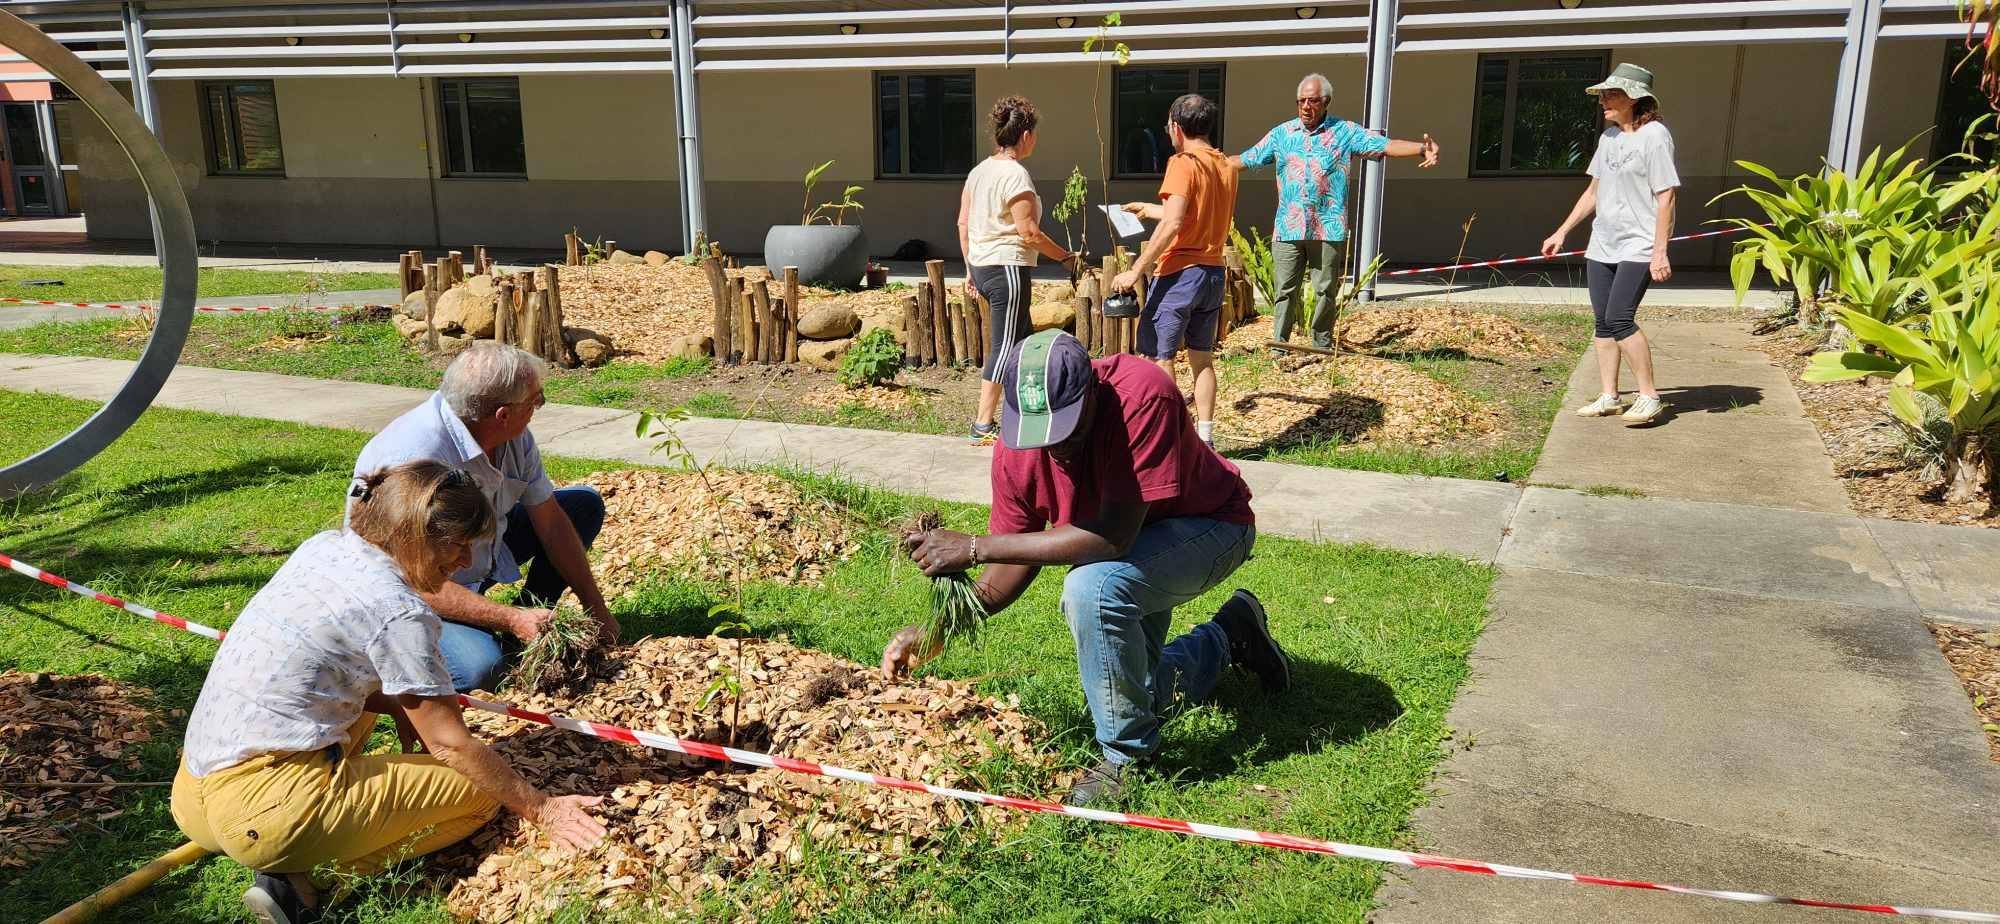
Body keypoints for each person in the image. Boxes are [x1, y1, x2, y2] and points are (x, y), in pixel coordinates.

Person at [172, 461, 607, 924]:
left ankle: (289, 842)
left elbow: (360, 680)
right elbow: (448, 742)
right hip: (264, 816)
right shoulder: (397, 611)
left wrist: (404, 713)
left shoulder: (325, 548)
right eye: (458, 546)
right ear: (415, 535)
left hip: (194, 792)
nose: (465, 562)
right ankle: (312, 886)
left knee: (362, 688)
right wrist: (542, 808)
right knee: (482, 796)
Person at [882, 330, 1291, 807]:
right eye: (1040, 433)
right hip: (1139, 547)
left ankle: (1125, 758)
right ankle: (1229, 636)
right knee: (1133, 698)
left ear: (1092, 391)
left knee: (1091, 588)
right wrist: (942, 626)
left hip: (1210, 526)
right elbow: (1013, 562)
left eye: (1067, 428)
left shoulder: (1142, 395)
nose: (1055, 446)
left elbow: (1111, 538)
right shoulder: (1016, 452)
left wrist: (974, 546)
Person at [352, 342, 619, 692]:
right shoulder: (413, 459)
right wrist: (508, 618)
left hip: (467, 560)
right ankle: (496, 634)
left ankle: (533, 620)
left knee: (581, 505)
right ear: (502, 414)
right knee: (482, 670)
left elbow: (551, 522)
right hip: (406, 593)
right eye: (536, 401)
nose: (540, 407)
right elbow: (408, 580)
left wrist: (596, 608)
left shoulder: (512, 438)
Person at [1233, 73, 1440, 352]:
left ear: (1326, 101)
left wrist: (1419, 149)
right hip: (1288, 227)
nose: (1306, 106)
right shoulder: (1281, 134)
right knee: (1284, 291)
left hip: (1327, 227)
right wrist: (1204, 161)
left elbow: (1385, 145)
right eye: (1301, 101)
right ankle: (1279, 347)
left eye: (1313, 100)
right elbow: (1245, 159)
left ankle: (1321, 346)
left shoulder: (1345, 132)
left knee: (1325, 291)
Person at [1540, 62, 1679, 425]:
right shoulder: (1608, 139)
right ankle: (1609, 396)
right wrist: (1562, 231)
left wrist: (1659, 250)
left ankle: (1649, 397)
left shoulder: (1655, 136)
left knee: (1620, 318)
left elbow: (1666, 196)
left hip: (1639, 246)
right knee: (1603, 322)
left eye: (1611, 94)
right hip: (1603, 244)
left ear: (1634, 98)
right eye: (1602, 95)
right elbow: (1593, 191)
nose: (1603, 101)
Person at [1111, 93, 1238, 448]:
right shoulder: (1224, 164)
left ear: (1176, 127)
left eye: (1168, 125)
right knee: (1202, 359)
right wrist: (1149, 209)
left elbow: (1174, 223)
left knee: (1158, 357)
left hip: (1180, 274)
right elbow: (1192, 212)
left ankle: (1172, 441)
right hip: (1212, 273)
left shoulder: (1182, 162)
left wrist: (1135, 270)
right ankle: (1205, 438)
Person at [958, 95, 1079, 445]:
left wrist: (969, 268)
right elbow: (1028, 232)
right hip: (1006, 267)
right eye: (1035, 134)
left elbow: (963, 222)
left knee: (1023, 340)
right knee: (1007, 346)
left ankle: (1027, 412)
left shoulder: (979, 171)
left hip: (982, 266)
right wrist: (1065, 257)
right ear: (1025, 135)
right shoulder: (1015, 174)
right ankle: (982, 424)